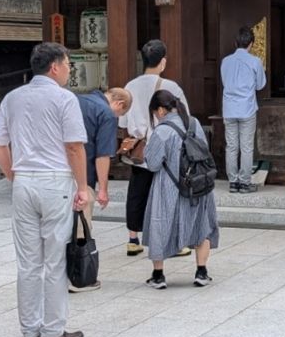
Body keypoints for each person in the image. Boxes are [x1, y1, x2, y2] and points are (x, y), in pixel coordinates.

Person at [0, 43, 89, 337]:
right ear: (55, 67)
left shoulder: (12, 98)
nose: (70, 69)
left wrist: (11, 174)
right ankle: (52, 330)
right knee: (54, 260)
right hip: (55, 181)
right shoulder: (64, 99)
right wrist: (83, 187)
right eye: (68, 64)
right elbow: (74, 146)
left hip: (24, 182)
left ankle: (30, 329)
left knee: (28, 261)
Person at [119, 39, 191, 258]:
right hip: (165, 148)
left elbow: (122, 123)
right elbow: (184, 118)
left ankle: (133, 239)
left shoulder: (129, 87)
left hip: (139, 148)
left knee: (137, 192)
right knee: (167, 193)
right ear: (163, 61)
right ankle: (172, 242)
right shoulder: (171, 87)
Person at [142, 90, 219, 289]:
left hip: (169, 185)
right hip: (197, 184)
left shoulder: (162, 131)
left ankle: (158, 275)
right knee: (202, 225)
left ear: (160, 110)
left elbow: (153, 164)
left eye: (154, 112)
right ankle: (201, 272)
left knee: (160, 224)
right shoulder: (193, 123)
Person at [70, 86, 133, 293]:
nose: (118, 117)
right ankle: (77, 278)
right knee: (81, 227)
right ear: (119, 104)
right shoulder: (105, 113)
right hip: (83, 177)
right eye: (120, 114)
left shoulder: (74, 100)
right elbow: (102, 155)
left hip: (57, 174)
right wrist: (103, 189)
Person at [219, 25, 266, 193]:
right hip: (246, 108)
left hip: (229, 108)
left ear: (235, 42)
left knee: (231, 146)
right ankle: (245, 182)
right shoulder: (255, 62)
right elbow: (260, 85)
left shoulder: (225, 61)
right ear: (251, 43)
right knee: (246, 147)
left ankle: (233, 181)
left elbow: (225, 82)